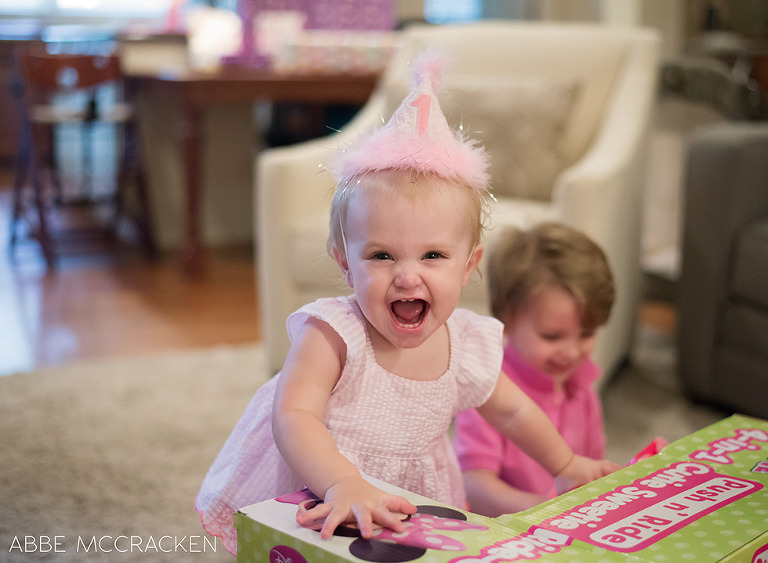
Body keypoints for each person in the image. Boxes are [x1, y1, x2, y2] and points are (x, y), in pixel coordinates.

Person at [195, 52, 619, 555]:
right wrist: (340, 482)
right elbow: (294, 415)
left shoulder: (464, 343)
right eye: (381, 255)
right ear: (344, 262)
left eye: (434, 255)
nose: (407, 276)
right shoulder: (332, 334)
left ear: (469, 264)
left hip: (418, 493)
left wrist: (565, 465)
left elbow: (514, 414)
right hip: (322, 485)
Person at [453, 221, 616, 517]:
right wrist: (541, 510)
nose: (571, 352)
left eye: (586, 333)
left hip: (566, 527)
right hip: (503, 532)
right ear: (507, 318)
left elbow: (590, 469)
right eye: (552, 336)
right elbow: (473, 486)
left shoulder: (580, 383)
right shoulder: (487, 386)